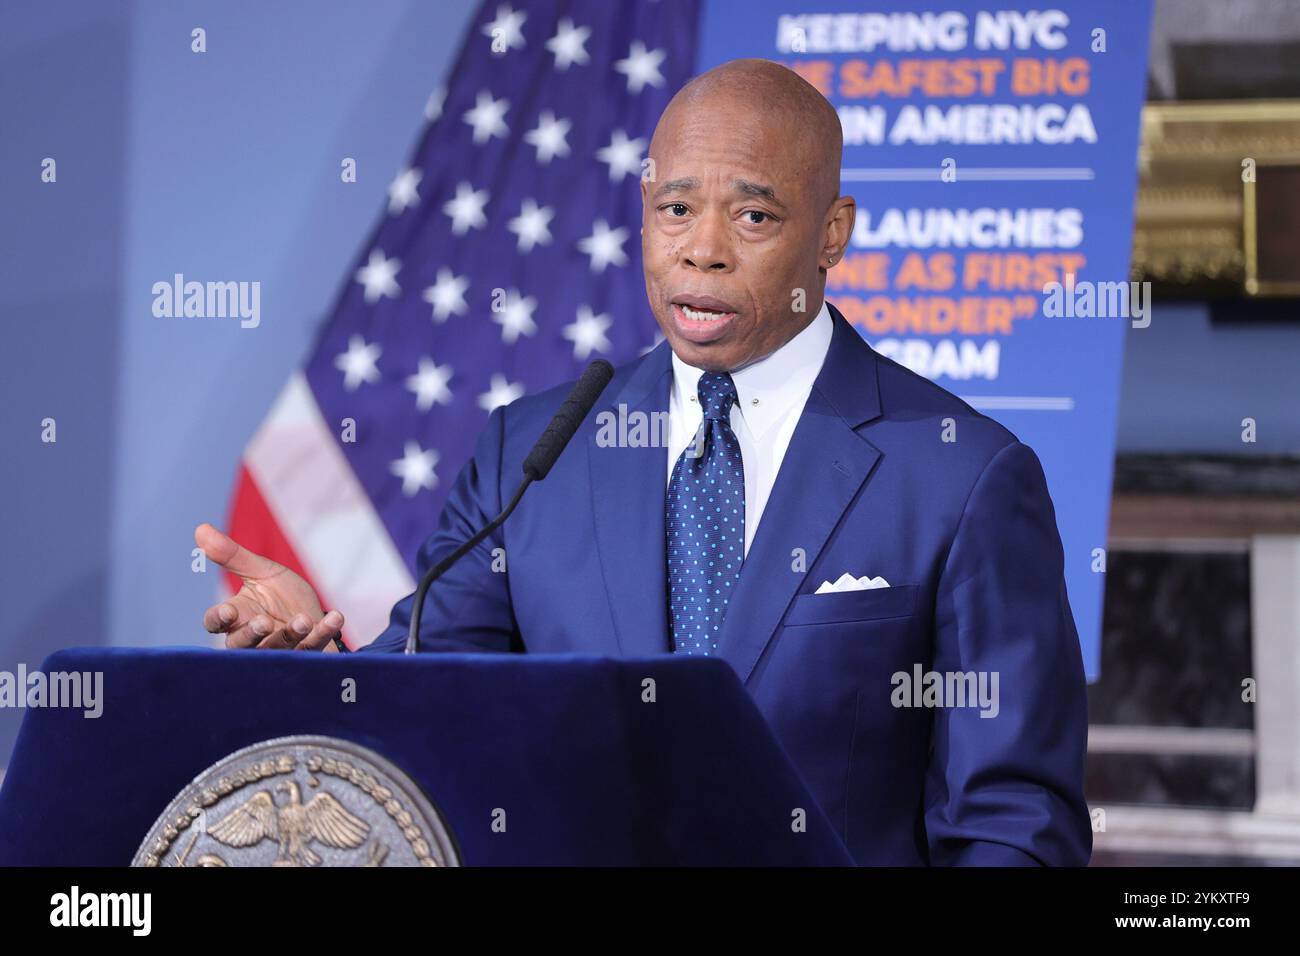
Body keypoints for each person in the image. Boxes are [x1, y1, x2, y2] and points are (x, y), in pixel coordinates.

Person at [196, 59, 1092, 865]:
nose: (701, 249)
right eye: (675, 208)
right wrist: (320, 653)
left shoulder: (958, 476)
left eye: (753, 214)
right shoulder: (531, 455)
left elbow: (1013, 828)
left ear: (832, 233)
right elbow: (431, 720)